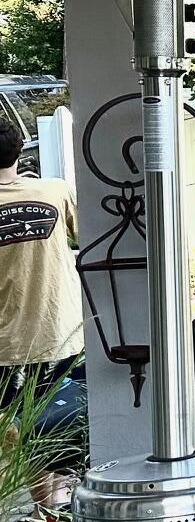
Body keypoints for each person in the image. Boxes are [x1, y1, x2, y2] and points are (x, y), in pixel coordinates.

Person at [0, 120, 83, 404]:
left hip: (5, 340)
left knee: (8, 417)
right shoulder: (55, 191)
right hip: (58, 331)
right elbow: (88, 238)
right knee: (31, 411)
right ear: (19, 153)